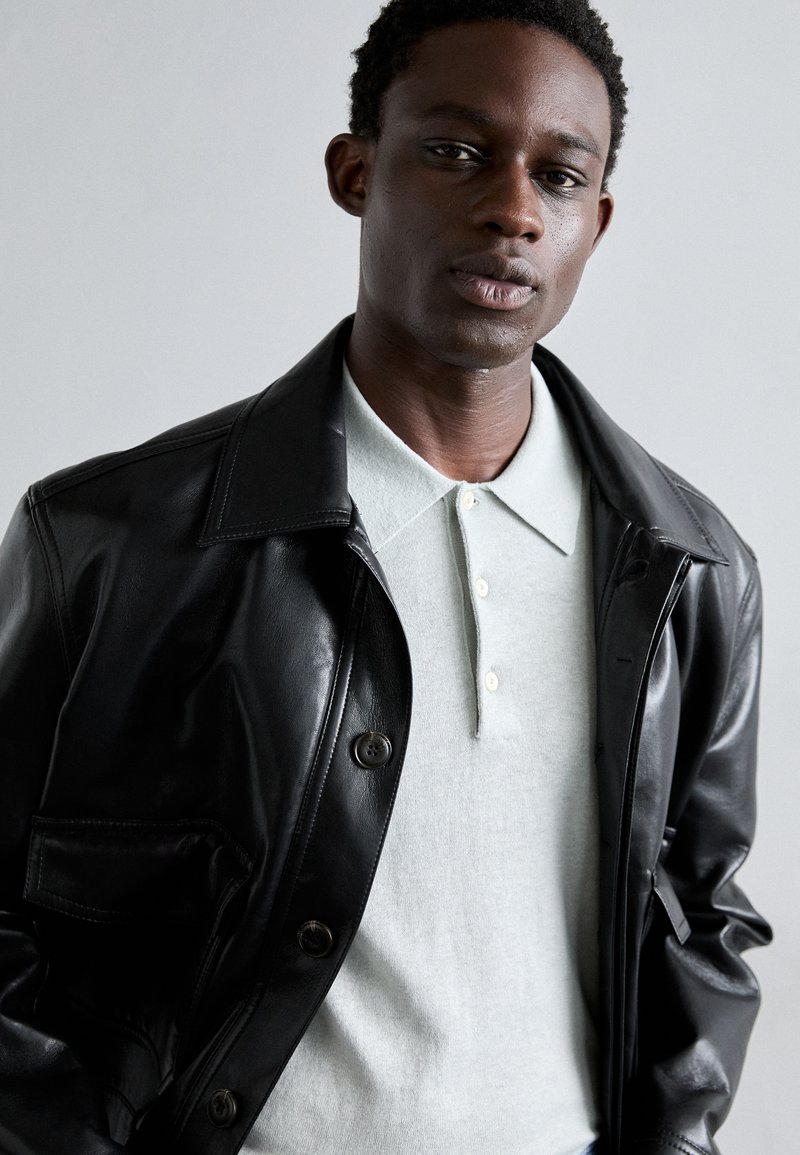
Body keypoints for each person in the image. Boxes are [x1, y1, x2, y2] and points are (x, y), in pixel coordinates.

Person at [0, 1, 771, 1153]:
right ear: (354, 171)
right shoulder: (116, 541)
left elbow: (702, 916)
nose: (512, 209)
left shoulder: (688, 569)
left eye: (558, 178)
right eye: (455, 152)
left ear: (594, 223)